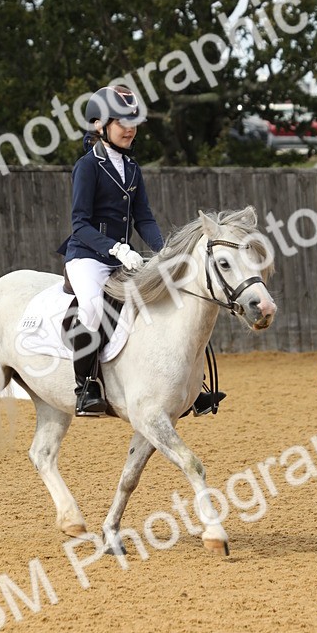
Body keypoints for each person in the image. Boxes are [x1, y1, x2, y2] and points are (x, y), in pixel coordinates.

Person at [58, 83, 224, 419]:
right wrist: (116, 248)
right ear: (99, 125)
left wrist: (164, 252)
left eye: (133, 122)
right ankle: (86, 386)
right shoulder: (87, 166)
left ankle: (193, 386)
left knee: (168, 298)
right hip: (88, 257)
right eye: (122, 122)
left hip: (124, 257)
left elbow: (144, 218)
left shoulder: (132, 168)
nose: (130, 129)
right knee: (91, 309)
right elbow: (80, 223)